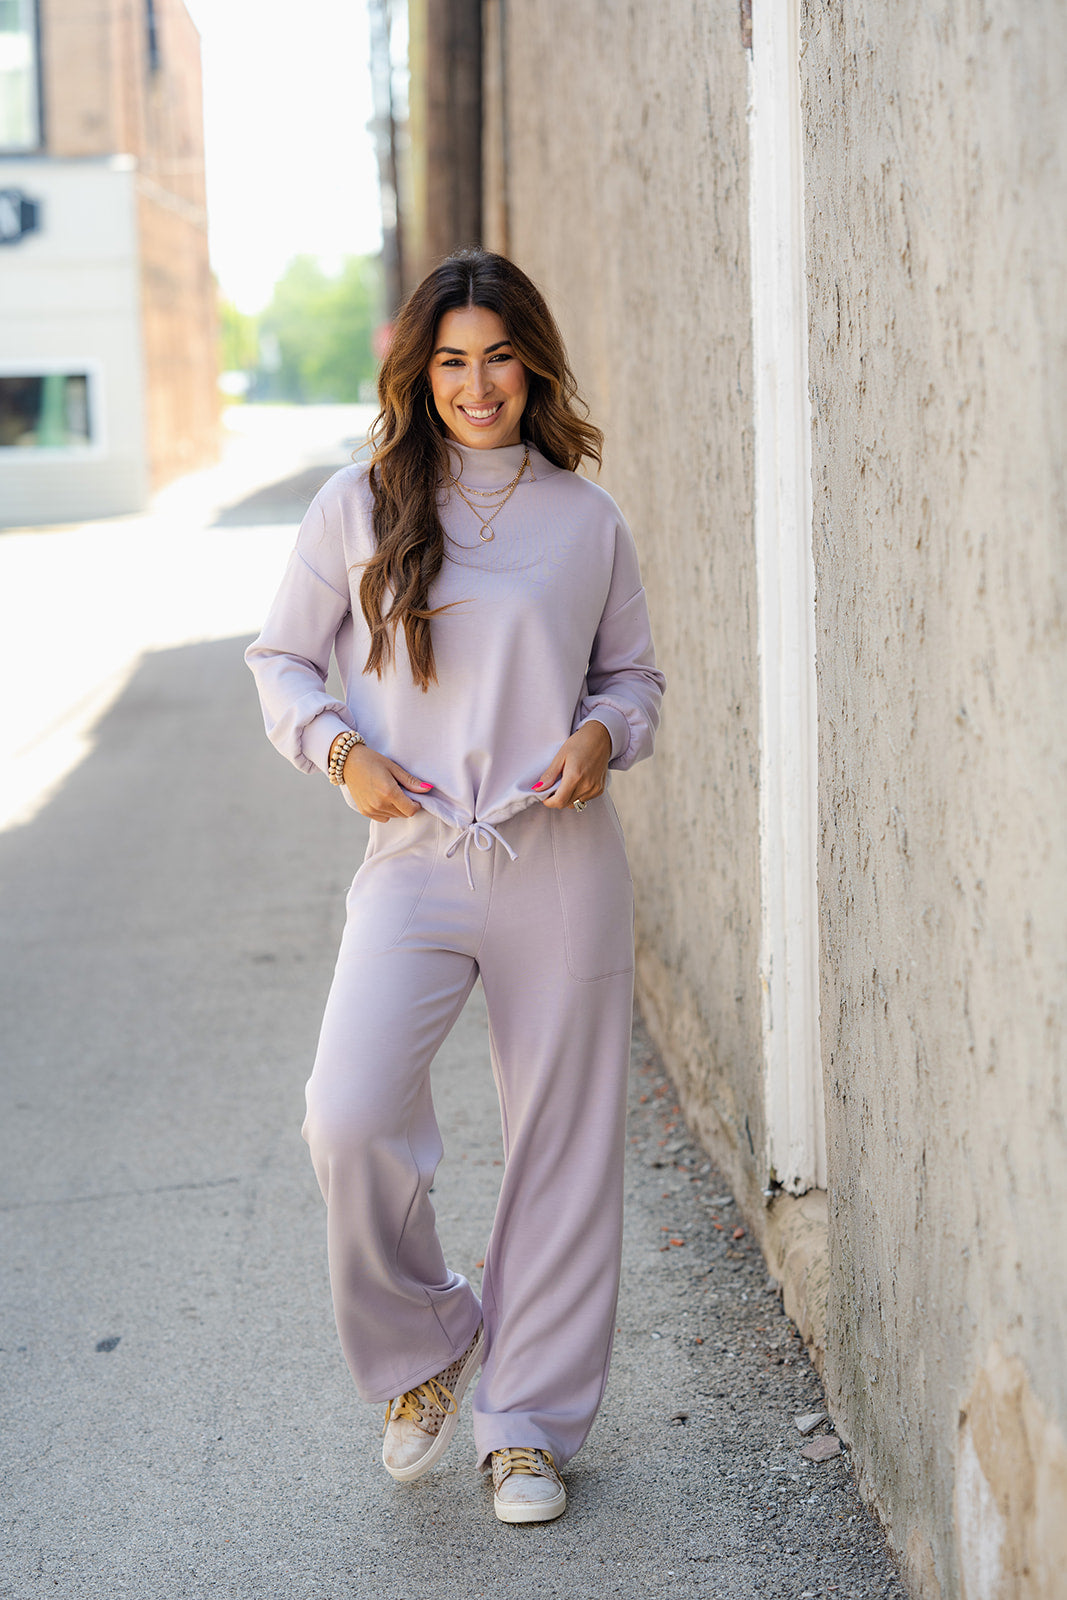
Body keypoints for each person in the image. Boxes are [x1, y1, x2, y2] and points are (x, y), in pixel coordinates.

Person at [246, 248, 665, 1524]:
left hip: (560, 859)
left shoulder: (584, 520)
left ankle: (526, 1425)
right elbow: (281, 660)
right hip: (416, 860)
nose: (476, 386)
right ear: (416, 372)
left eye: (497, 358)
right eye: (450, 361)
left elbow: (633, 681)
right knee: (346, 1113)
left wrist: (604, 737)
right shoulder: (357, 506)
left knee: (563, 1142)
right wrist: (340, 753)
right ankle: (426, 1341)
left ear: (531, 364)